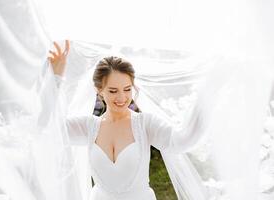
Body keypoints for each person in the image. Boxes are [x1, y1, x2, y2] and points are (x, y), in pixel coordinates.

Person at [46, 40, 209, 200]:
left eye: (127, 89)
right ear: (99, 90)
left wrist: (207, 98)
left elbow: (181, 141)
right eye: (113, 91)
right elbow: (52, 129)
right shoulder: (89, 126)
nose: (122, 97)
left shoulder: (145, 124)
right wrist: (56, 78)